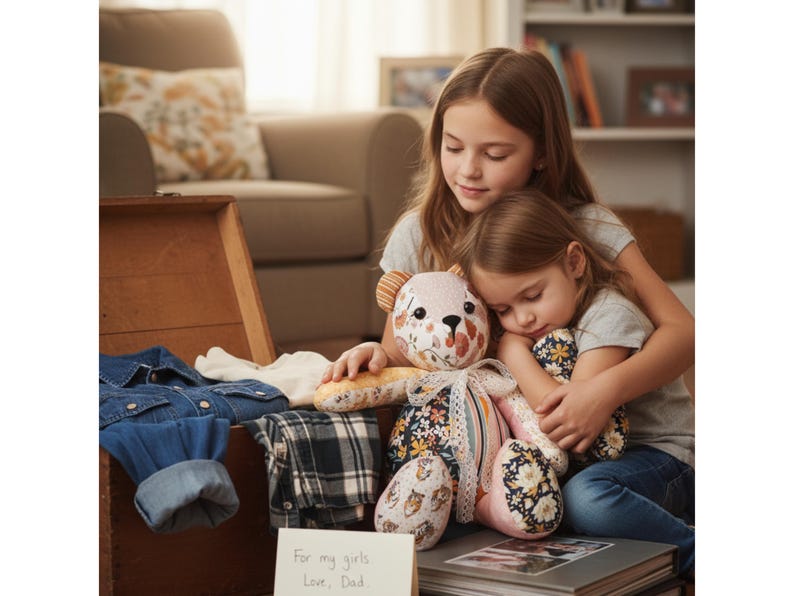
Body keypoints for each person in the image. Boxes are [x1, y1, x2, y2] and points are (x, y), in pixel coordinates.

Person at [321, 46, 694, 473]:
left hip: (638, 447)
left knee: (587, 503)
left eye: (494, 155)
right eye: (453, 147)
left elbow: (683, 333)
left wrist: (603, 392)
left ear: (541, 154)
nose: (468, 170)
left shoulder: (589, 227)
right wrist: (374, 354)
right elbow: (404, 355)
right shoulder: (420, 235)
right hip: (521, 450)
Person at [454, 189, 694, 578]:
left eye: (532, 296)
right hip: (602, 465)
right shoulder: (543, 324)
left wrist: (512, 351)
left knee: (585, 500)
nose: (523, 319)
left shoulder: (610, 313)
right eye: (504, 311)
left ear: (575, 262)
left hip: (662, 460)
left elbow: (564, 418)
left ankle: (695, 554)